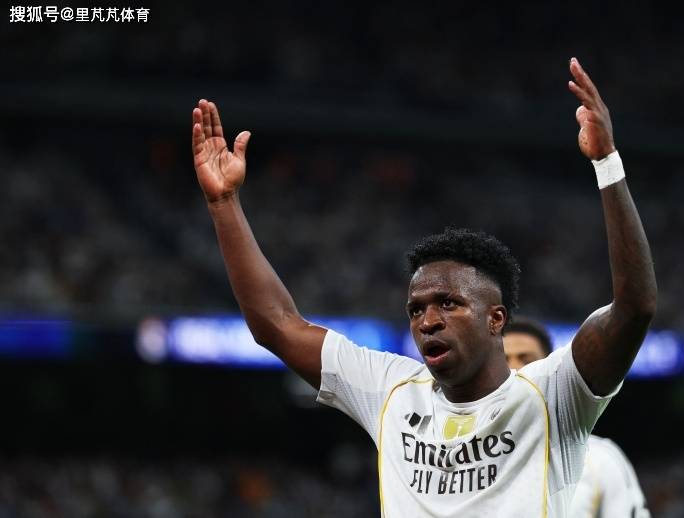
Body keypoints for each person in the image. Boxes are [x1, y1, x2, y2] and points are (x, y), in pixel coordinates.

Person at [190, 57, 657, 517]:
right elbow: (276, 325)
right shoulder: (391, 392)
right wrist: (224, 203)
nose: (427, 321)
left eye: (448, 304)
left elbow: (634, 308)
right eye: (416, 309)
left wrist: (606, 163)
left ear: (495, 319)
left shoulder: (551, 396)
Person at [504, 317, 652, 517]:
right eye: (504, 360)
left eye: (527, 360)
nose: (515, 370)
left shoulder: (601, 460)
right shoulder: (469, 457)